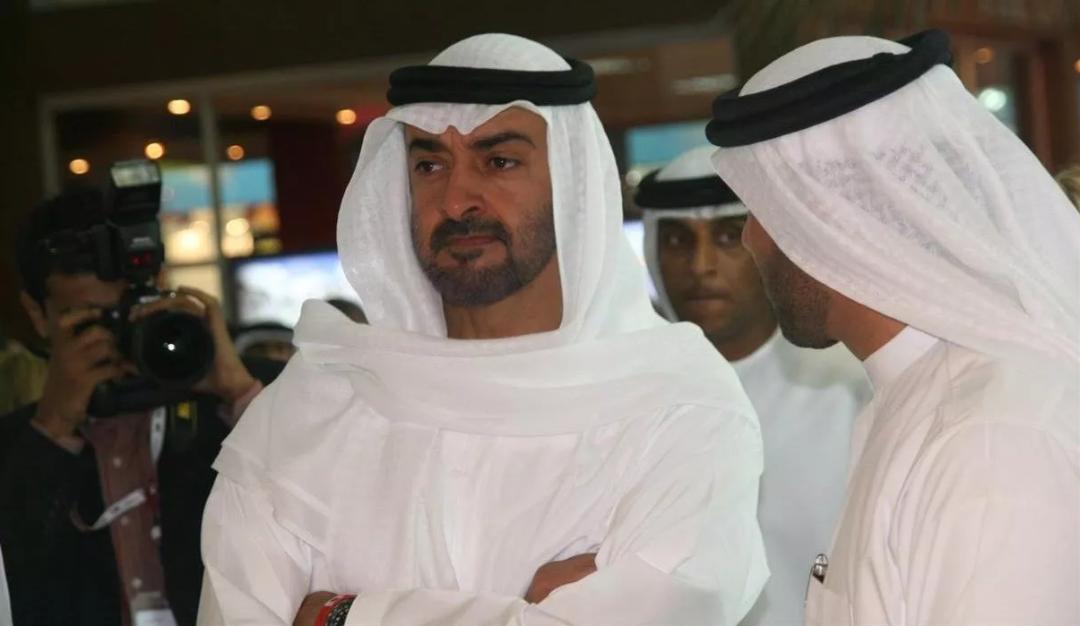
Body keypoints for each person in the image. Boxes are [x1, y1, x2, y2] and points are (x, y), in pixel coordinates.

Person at [198, 34, 767, 626]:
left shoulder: (679, 404)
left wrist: (342, 616)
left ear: (572, 185)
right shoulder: (308, 410)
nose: (456, 200)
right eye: (429, 165)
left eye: (499, 162)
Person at [706, 29, 1080, 625]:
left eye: (760, 209)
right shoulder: (920, 395)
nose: (752, 239)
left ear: (826, 215)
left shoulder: (991, 439)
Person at [0, 189, 282, 626]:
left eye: (132, 309)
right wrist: (52, 430)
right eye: (89, 320)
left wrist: (239, 393)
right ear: (38, 315)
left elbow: (330, 511)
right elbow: (18, 575)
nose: (119, 335)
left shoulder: (256, 392)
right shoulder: (17, 446)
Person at [636, 145, 870, 626]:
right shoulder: (629, 395)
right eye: (678, 241)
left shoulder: (850, 388)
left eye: (728, 237)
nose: (701, 265)